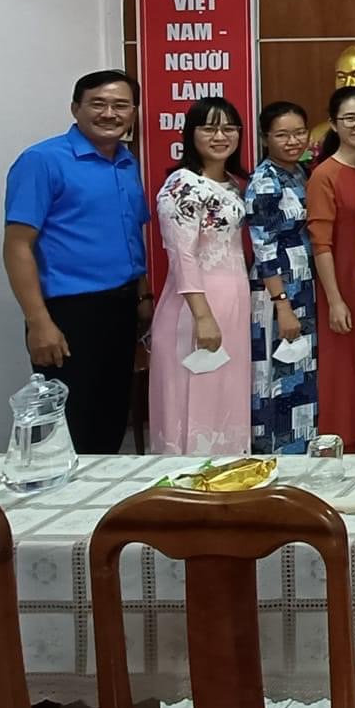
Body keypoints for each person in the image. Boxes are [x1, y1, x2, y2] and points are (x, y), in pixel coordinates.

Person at [1, 69, 151, 455]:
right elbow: (17, 246)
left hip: (120, 309)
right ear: (75, 108)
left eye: (121, 105)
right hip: (68, 315)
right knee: (69, 427)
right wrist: (39, 322)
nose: (109, 114)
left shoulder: (126, 162)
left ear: (134, 112)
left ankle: (102, 492)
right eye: (98, 104)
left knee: (111, 418)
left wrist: (142, 298)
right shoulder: (42, 160)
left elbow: (131, 235)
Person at [148, 97, 251, 457]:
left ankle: (228, 475)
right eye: (209, 128)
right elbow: (182, 255)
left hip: (234, 302)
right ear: (191, 134)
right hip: (195, 306)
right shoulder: (183, 184)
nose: (220, 136)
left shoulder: (233, 184)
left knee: (226, 395)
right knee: (194, 397)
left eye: (229, 128)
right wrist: (202, 316)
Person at [308, 85, 355, 449]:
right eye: (350, 118)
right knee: (343, 369)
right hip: (342, 283)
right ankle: (344, 447)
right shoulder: (325, 174)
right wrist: (334, 299)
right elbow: (321, 243)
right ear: (334, 123)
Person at [246, 101, 318, 455]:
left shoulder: (301, 172)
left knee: (301, 372)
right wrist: (282, 305)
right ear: (265, 138)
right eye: (282, 135)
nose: (293, 141)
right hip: (277, 289)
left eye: (299, 133)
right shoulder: (264, 181)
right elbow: (263, 248)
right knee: (280, 373)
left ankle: (303, 453)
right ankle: (277, 457)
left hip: (303, 283)